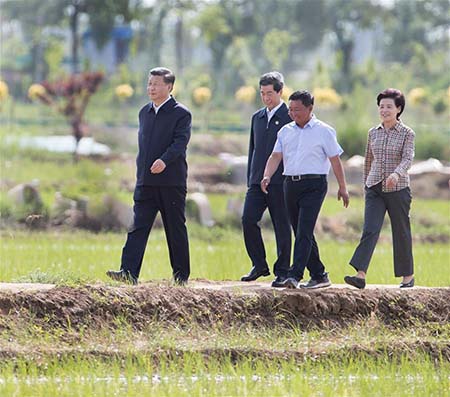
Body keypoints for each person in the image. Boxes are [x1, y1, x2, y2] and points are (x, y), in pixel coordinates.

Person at [107, 67, 191, 286]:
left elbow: (180, 143)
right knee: (137, 227)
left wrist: (164, 160)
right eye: (149, 83)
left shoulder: (181, 113)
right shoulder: (144, 112)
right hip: (145, 182)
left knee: (175, 229)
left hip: (171, 183)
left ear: (169, 86)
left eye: (156, 84)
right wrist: (140, 174)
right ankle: (128, 272)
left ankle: (181, 276)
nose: (151, 88)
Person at [261, 90, 349, 289]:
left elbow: (335, 160)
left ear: (310, 108)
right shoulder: (285, 131)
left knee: (304, 230)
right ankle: (319, 274)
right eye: (290, 109)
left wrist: (343, 187)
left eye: (298, 110)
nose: (293, 113)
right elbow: (276, 156)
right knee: (301, 231)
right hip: (290, 184)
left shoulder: (324, 131)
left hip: (314, 185)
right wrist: (267, 175)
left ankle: (294, 275)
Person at [345, 88, 415, 289]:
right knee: (370, 229)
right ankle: (360, 274)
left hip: (398, 189)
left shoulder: (407, 134)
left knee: (401, 231)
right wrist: (366, 184)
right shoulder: (372, 133)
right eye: (381, 106)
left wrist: (396, 174)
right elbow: (368, 160)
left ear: (398, 109)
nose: (384, 110)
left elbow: (408, 158)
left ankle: (407, 277)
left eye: (389, 107)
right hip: (374, 188)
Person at [240, 72, 292, 288]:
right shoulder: (257, 117)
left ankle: (282, 271)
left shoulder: (290, 117)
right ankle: (259, 264)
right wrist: (252, 177)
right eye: (262, 93)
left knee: (281, 225)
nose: (266, 97)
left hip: (281, 182)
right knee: (248, 219)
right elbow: (253, 150)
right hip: (257, 181)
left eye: (270, 93)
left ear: (280, 92)